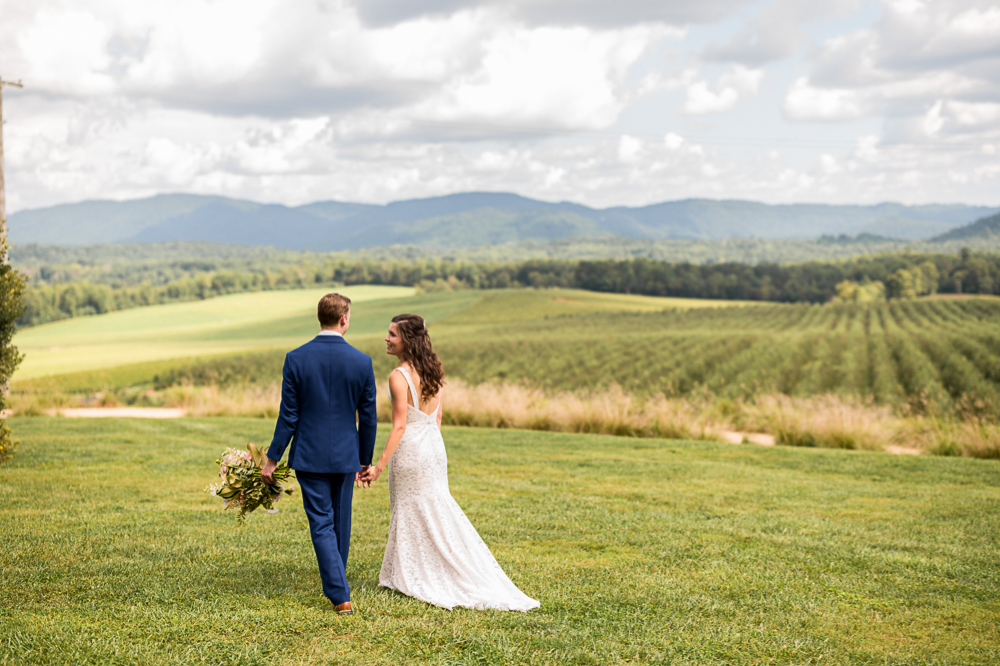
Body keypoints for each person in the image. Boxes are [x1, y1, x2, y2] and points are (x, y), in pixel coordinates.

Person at [361, 313, 539, 611]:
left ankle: (411, 573)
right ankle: (414, 569)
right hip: (433, 448)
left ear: (407, 340)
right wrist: (430, 449)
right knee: (433, 506)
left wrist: (378, 466)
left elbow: (400, 426)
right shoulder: (434, 370)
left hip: (411, 450)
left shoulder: (397, 376)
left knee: (409, 509)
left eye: (392, 334)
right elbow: (438, 418)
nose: (386, 339)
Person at [262, 293, 377, 616]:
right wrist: (364, 459)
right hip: (345, 455)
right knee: (339, 521)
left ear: (320, 318)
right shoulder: (362, 361)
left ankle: (339, 592)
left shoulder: (295, 358)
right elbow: (368, 417)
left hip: (309, 454)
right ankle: (339, 589)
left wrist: (272, 458)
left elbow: (289, 416)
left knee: (322, 523)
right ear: (344, 319)